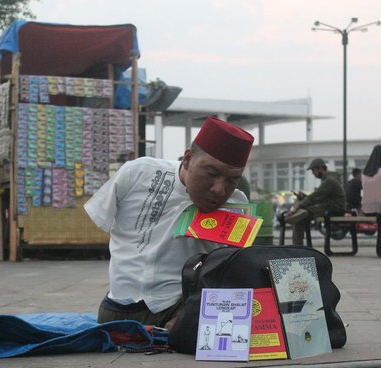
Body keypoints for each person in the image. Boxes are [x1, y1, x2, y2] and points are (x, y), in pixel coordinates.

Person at [84, 116, 254, 329]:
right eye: (211, 173)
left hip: (181, 312)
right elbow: (100, 215)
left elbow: (231, 275)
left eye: (232, 180)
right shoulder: (138, 174)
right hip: (118, 310)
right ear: (188, 159)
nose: (219, 190)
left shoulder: (236, 205)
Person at [283, 158, 345, 245]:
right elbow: (318, 197)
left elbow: (315, 196)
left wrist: (299, 206)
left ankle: (297, 244)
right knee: (302, 216)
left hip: (334, 208)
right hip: (329, 206)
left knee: (303, 215)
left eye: (313, 171)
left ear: (319, 168)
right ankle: (297, 244)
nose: (313, 174)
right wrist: (304, 197)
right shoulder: (328, 179)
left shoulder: (329, 181)